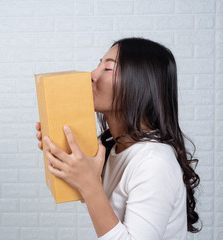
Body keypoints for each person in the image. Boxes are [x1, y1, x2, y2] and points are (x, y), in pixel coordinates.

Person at [35, 37, 201, 239]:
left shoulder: (154, 163)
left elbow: (92, 192)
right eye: (98, 64)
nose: (92, 75)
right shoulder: (118, 149)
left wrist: (89, 183)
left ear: (139, 85)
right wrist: (62, 150)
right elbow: (99, 203)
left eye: (108, 69)